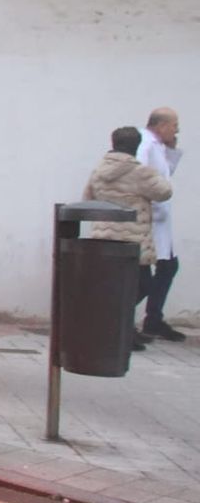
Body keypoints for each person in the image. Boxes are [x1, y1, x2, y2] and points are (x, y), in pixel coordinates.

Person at [84, 126, 172, 352]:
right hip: (131, 239)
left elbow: (87, 197)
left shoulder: (99, 170)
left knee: (115, 286)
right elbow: (164, 192)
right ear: (135, 146)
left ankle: (119, 329)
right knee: (142, 285)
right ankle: (112, 323)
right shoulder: (140, 172)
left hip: (103, 238)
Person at [137, 107, 184, 341]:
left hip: (160, 221)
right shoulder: (144, 143)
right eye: (174, 125)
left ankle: (153, 319)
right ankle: (118, 316)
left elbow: (165, 174)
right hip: (150, 220)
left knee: (168, 267)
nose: (177, 130)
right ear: (161, 125)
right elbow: (139, 175)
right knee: (143, 277)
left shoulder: (158, 146)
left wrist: (172, 149)